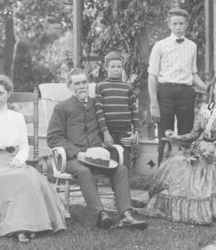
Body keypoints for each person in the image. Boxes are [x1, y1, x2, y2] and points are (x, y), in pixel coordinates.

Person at [0, 74, 66, 243]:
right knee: (4, 178)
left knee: (30, 177)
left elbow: (24, 145)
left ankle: (31, 225)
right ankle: (18, 228)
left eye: (1, 93)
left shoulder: (16, 117)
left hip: (12, 158)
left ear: (8, 94)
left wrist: (20, 159)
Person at [47, 68, 147, 230]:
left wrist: (130, 134)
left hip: (97, 155)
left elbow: (112, 122)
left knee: (120, 169)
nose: (81, 86)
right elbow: (53, 137)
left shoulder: (97, 105)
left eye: (84, 82)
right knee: (84, 172)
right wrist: (76, 152)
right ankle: (101, 214)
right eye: (77, 83)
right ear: (69, 86)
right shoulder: (62, 108)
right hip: (74, 158)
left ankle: (126, 215)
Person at [140, 73, 216, 224]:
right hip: (196, 148)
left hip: (215, 152)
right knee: (176, 161)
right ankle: (171, 207)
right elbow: (195, 133)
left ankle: (195, 211)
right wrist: (176, 137)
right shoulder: (206, 109)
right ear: (213, 90)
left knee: (196, 166)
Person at [147, 7, 207, 164]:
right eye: (175, 23)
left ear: (187, 24)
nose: (178, 27)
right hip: (165, 92)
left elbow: (193, 74)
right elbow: (152, 76)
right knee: (164, 136)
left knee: (186, 135)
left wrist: (207, 87)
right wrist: (154, 104)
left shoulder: (192, 46)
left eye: (181, 23)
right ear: (169, 25)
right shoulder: (160, 46)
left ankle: (185, 177)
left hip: (186, 93)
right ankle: (161, 176)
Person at [95, 51, 140, 168]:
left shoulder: (128, 87)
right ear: (106, 68)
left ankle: (125, 186)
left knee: (124, 163)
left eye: (119, 67)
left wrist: (136, 132)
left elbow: (133, 111)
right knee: (111, 162)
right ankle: (112, 185)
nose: (116, 70)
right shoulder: (101, 86)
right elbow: (99, 111)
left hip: (125, 132)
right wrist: (105, 133)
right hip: (109, 132)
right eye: (113, 66)